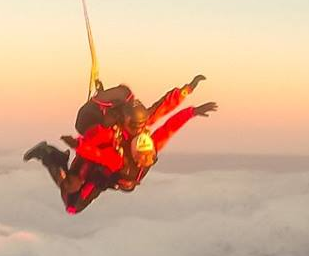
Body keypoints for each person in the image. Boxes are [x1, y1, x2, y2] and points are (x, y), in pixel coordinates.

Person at [23, 74, 218, 213]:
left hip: (97, 163)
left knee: (72, 199)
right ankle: (48, 154)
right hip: (94, 153)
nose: (141, 136)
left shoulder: (125, 155)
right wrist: (189, 99)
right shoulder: (134, 140)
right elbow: (168, 124)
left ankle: (52, 157)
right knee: (71, 197)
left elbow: (167, 122)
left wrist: (78, 145)